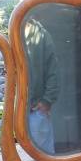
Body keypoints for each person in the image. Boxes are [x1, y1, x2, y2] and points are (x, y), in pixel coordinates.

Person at [24, 18, 59, 153]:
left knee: (44, 156)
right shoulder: (15, 32)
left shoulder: (41, 35)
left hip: (36, 109)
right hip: (18, 108)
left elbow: (53, 70)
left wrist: (47, 100)